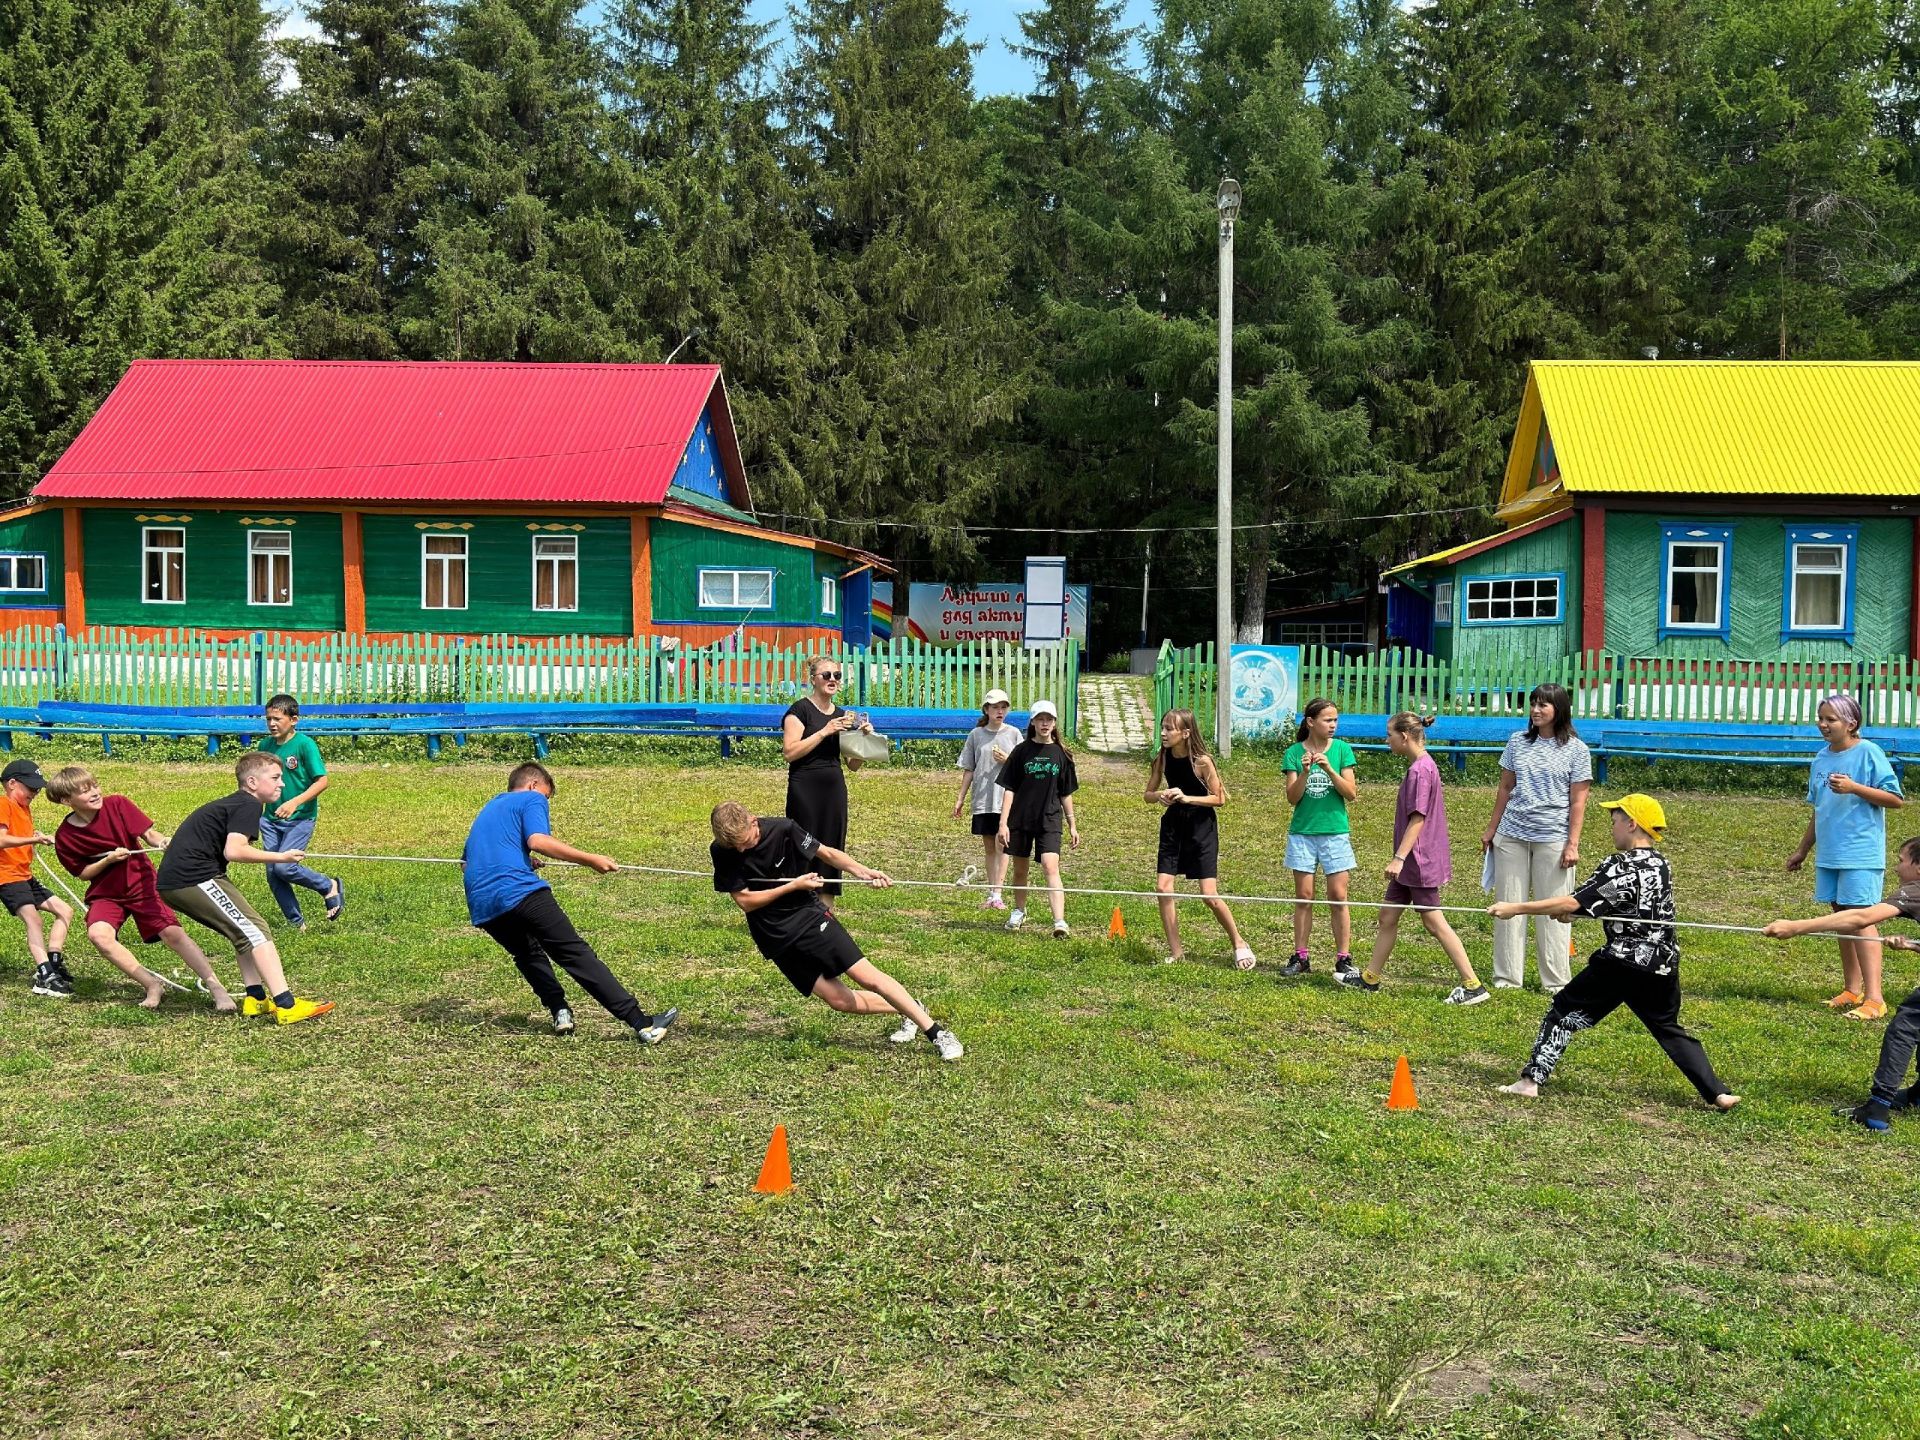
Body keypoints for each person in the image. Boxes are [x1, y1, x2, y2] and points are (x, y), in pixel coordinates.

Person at [1492, 793, 1739, 1111]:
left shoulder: (1619, 864)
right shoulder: (1661, 864)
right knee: (1668, 1028)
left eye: (1616, 821)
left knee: (1563, 1013)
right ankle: (1718, 1094)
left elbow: (1574, 901)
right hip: (1661, 963)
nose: (1612, 828)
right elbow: (1618, 901)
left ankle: (1529, 1083)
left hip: (1623, 962)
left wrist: (1515, 907)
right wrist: (1577, 912)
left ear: (1632, 823)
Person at [709, 801, 963, 1059]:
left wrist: (863, 872)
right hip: (774, 936)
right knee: (839, 1001)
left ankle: (937, 1033)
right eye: (734, 846)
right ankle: (909, 1008)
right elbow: (746, 902)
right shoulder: (722, 850)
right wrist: (792, 886)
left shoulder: (783, 829)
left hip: (807, 917)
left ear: (754, 821)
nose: (741, 849)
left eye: (745, 841)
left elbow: (827, 853)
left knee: (868, 978)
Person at [463, 761, 677, 1043]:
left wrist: (523, 860)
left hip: (483, 904)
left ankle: (560, 1011)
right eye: (546, 796)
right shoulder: (530, 798)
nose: (544, 802)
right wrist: (591, 859)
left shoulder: (489, 809)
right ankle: (643, 1024)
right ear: (533, 785)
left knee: (527, 954)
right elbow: (538, 840)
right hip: (520, 892)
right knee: (573, 953)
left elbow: (467, 864)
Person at [155, 752, 333, 1024]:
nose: (281, 784)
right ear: (252, 782)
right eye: (275, 778)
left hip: (182, 880)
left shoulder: (241, 803)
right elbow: (235, 850)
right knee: (256, 931)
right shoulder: (248, 805)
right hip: (191, 879)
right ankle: (286, 1005)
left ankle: (256, 1000)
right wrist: (281, 857)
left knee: (244, 933)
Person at [46, 765, 237, 1012]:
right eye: (85, 791)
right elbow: (83, 873)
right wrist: (107, 860)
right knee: (98, 936)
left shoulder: (117, 804)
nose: (94, 792)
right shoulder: (65, 835)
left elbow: (149, 834)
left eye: (95, 785)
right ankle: (152, 984)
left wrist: (164, 841)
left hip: (142, 883)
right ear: (66, 800)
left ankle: (216, 988)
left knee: (173, 934)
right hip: (106, 894)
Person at [1765, 837, 1920, 1130]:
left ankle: (1877, 1108)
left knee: (1904, 1029)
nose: (1897, 867)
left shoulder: (1915, 890)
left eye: (1901, 860)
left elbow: (1861, 917)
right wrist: (1913, 945)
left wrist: (1796, 927)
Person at [1336, 713, 1487, 1004]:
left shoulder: (1421, 770)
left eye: (1389, 734)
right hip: (1410, 863)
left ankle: (1473, 986)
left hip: (1417, 861)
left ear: (1404, 736)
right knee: (1387, 916)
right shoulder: (1421, 766)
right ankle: (1370, 979)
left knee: (1434, 923)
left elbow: (1418, 819)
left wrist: (1398, 858)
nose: (1386, 739)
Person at [1785, 693, 1903, 1020]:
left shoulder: (1868, 753)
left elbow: (1894, 799)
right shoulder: (1821, 759)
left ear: (1851, 723)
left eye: (1831, 719)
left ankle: (1876, 998)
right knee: (1842, 917)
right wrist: (1803, 849)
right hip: (1831, 853)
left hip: (1860, 853)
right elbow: (1818, 809)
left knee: (1862, 918)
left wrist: (1855, 788)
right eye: (1820, 718)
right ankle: (1852, 989)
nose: (1823, 724)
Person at [1482, 683, 1592, 996]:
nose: (1536, 710)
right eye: (1533, 704)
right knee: (1508, 907)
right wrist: (1492, 829)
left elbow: (1578, 801)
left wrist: (1573, 843)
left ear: (1560, 710)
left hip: (1553, 838)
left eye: (1543, 705)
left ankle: (1556, 982)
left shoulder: (1576, 750)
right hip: (1512, 835)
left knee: (1555, 911)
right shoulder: (1517, 742)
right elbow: (1505, 788)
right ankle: (1506, 978)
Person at [1146, 707, 1254, 968]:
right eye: (1162, 727)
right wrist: (1160, 796)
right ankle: (1176, 951)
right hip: (1173, 826)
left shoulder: (1202, 761)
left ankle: (1239, 942)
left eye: (1169, 729)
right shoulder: (1162, 758)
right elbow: (1147, 794)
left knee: (1208, 895)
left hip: (1201, 828)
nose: (1163, 733)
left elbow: (1220, 798)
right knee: (1162, 888)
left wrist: (1187, 797)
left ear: (1185, 733)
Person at [781, 654, 875, 903]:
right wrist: (824, 732)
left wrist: (865, 740)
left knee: (832, 844)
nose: (832, 680)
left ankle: (826, 910)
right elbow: (790, 753)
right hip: (805, 787)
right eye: (827, 675)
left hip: (833, 788)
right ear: (813, 679)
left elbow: (853, 765)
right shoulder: (800, 710)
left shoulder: (845, 715)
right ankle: (799, 905)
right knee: (804, 843)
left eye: (837, 675)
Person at [1280, 699, 1358, 977]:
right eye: (1327, 720)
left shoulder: (1342, 750)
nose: (1333, 725)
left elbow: (1351, 793)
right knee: (1304, 896)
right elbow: (1292, 798)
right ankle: (1301, 956)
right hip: (1303, 833)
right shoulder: (1293, 753)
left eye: (1335, 720)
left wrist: (1329, 770)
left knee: (1338, 896)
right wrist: (1303, 772)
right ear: (1310, 722)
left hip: (1335, 833)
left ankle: (1344, 957)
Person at [255, 693, 344, 929]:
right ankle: (297, 924)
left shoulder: (304, 745)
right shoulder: (264, 746)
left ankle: (327, 885)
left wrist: (294, 802)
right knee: (274, 874)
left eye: (277, 719)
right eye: (268, 719)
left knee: (285, 867)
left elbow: (322, 781)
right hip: (270, 820)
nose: (272, 724)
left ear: (293, 719)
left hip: (300, 819)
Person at [996, 700, 1080, 938]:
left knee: (1050, 866)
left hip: (1050, 819)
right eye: (1040, 719)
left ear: (1054, 723)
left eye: (1049, 719)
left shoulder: (1062, 754)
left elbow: (1066, 793)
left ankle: (1060, 922)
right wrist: (1003, 824)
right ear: (1032, 722)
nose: (1045, 724)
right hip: (1021, 819)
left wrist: (1072, 824)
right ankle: (1019, 910)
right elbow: (1009, 788)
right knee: (1020, 869)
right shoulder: (1021, 751)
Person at [0, 759, 75, 998]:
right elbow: (1, 839)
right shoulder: (3, 804)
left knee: (65, 911)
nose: (35, 792)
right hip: (7, 876)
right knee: (34, 921)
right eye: (31, 788)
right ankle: (44, 976)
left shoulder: (22, 807)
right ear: (12, 783)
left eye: (37, 788)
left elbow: (17, 833)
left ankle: (53, 961)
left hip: (24, 875)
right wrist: (33, 840)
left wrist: (34, 835)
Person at [954, 689, 1015, 910]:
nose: (1000, 711)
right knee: (989, 848)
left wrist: (1007, 760)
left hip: (1005, 800)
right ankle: (992, 893)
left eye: (1003, 707)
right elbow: (969, 768)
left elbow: (1021, 769)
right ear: (987, 710)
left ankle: (999, 893)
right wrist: (960, 798)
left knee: (1003, 846)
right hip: (982, 799)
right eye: (995, 707)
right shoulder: (976, 735)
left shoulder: (1014, 734)